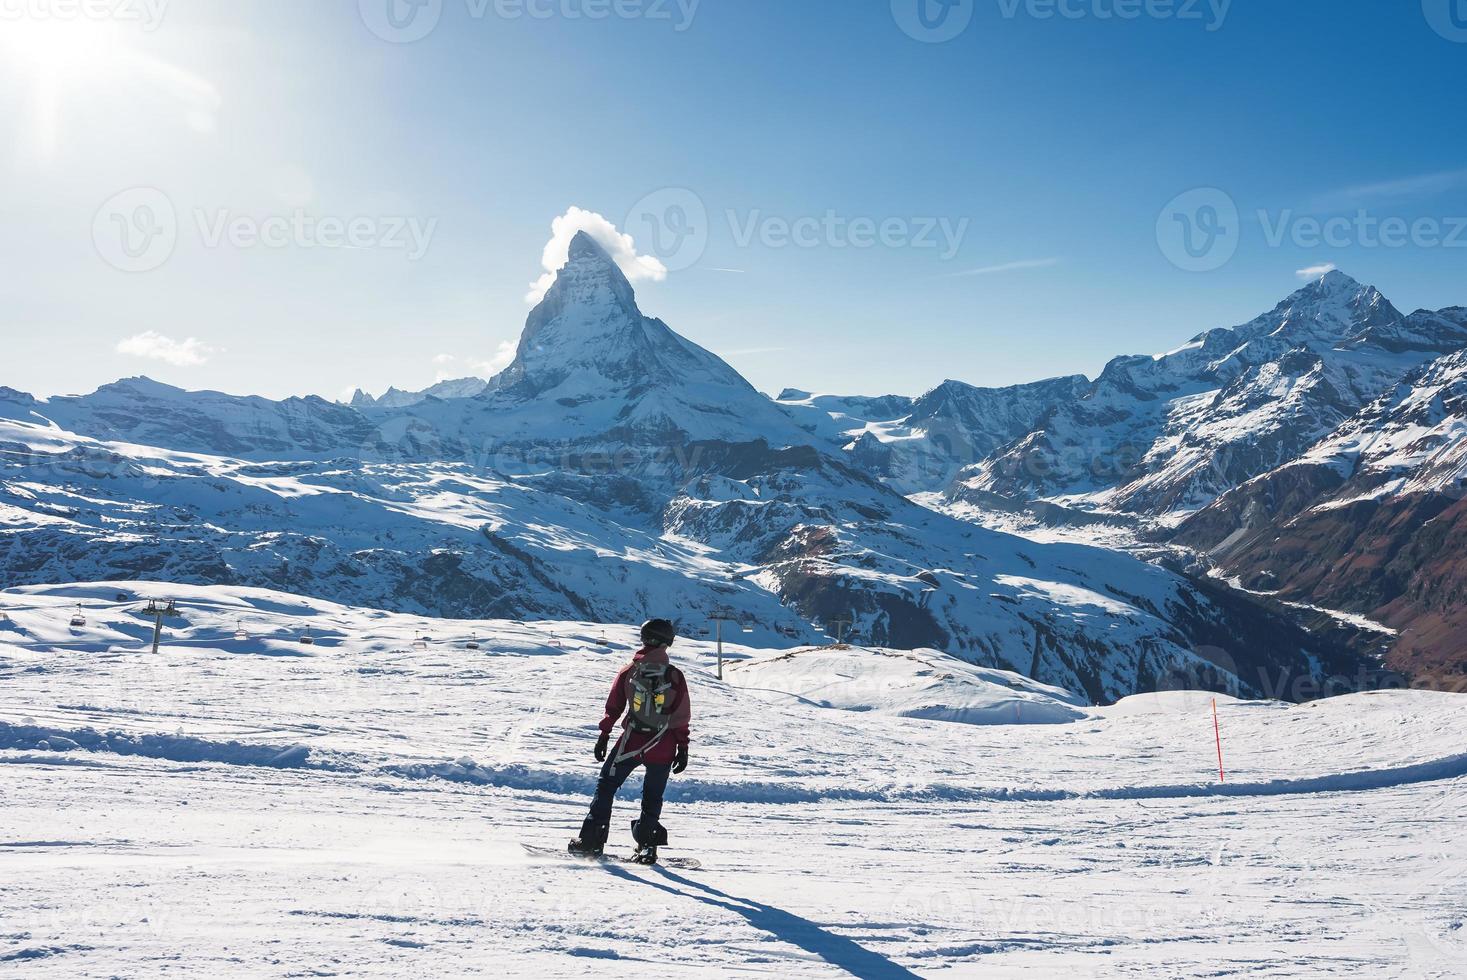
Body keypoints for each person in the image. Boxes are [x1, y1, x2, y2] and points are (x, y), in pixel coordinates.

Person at [569, 618, 691, 865]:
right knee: (652, 797)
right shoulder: (675, 676)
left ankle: (591, 843)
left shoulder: (629, 671)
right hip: (663, 746)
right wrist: (683, 747)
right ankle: (647, 848)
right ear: (667, 643)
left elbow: (613, 706)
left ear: (644, 639)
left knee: (606, 787)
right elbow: (681, 715)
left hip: (630, 744)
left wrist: (604, 735)